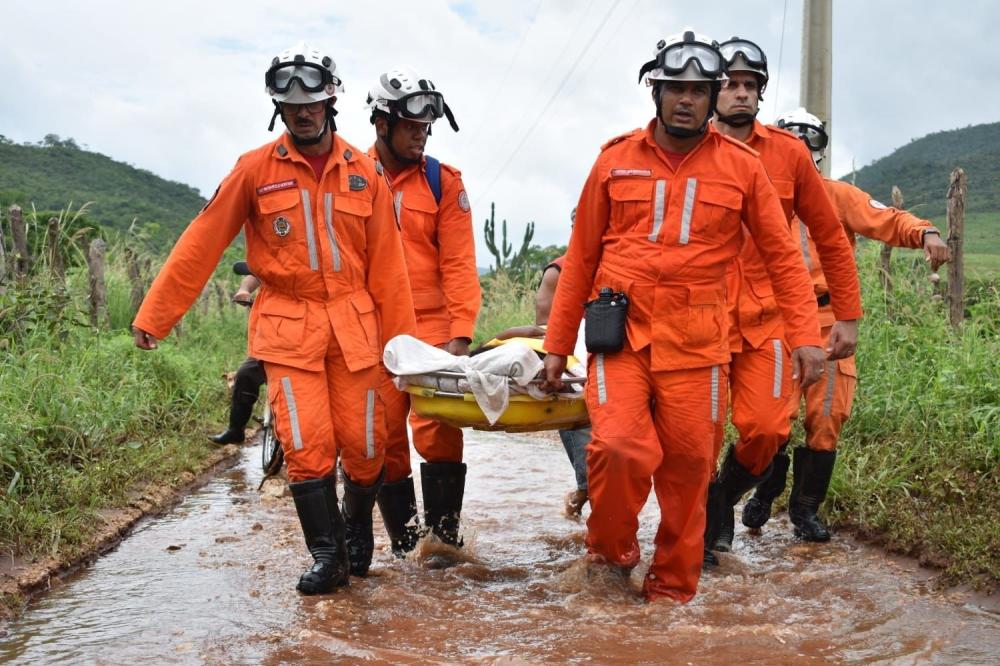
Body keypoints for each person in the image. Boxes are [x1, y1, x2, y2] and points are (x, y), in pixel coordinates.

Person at [540, 28, 827, 603]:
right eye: (676, 88)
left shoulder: (743, 168)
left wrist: (805, 336)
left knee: (690, 472)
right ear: (657, 92)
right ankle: (612, 555)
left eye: (699, 89)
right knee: (619, 448)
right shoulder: (614, 159)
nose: (687, 99)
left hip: (698, 347)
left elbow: (783, 259)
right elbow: (580, 260)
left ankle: (671, 595)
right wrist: (555, 345)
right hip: (620, 338)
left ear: (713, 95)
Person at [131, 42, 415, 594]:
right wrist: (156, 316)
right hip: (288, 326)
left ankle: (358, 530)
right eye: (290, 104)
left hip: (355, 328)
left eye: (311, 100)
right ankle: (328, 556)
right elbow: (203, 240)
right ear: (277, 108)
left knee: (365, 445)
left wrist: (404, 348)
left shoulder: (365, 172)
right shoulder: (255, 170)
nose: (301, 111)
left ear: (331, 99)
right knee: (307, 445)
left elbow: (389, 267)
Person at [740, 107, 951, 540]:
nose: (800, 150)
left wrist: (925, 232)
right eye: (790, 140)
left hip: (828, 320)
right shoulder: (755, 191)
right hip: (774, 320)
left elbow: (886, 218)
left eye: (808, 142)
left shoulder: (836, 196)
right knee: (769, 418)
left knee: (828, 413)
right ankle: (767, 489)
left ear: (818, 150)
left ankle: (805, 510)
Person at [703, 37, 864, 560]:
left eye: (751, 85)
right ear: (711, 87)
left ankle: (725, 496)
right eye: (731, 83)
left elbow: (833, 238)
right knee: (697, 436)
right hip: (697, 318)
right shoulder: (686, 145)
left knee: (769, 429)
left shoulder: (788, 154)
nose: (741, 93)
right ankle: (706, 532)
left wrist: (848, 315)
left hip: (769, 315)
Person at [364, 66, 481, 555]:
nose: (421, 136)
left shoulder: (443, 182)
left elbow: (459, 262)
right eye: (411, 126)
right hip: (373, 329)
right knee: (385, 438)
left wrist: (460, 335)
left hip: (432, 327)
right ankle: (403, 546)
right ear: (382, 123)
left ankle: (444, 545)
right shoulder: (352, 174)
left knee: (438, 432)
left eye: (426, 128)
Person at [536, 208, 590, 518]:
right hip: (573, 374)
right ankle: (579, 501)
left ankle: (579, 501)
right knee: (594, 479)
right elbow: (544, 335)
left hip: (615, 365)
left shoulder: (619, 265)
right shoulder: (558, 272)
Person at [210, 273, 266, 445]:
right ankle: (236, 430)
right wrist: (244, 290)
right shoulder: (277, 259)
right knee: (245, 374)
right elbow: (258, 273)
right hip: (272, 341)